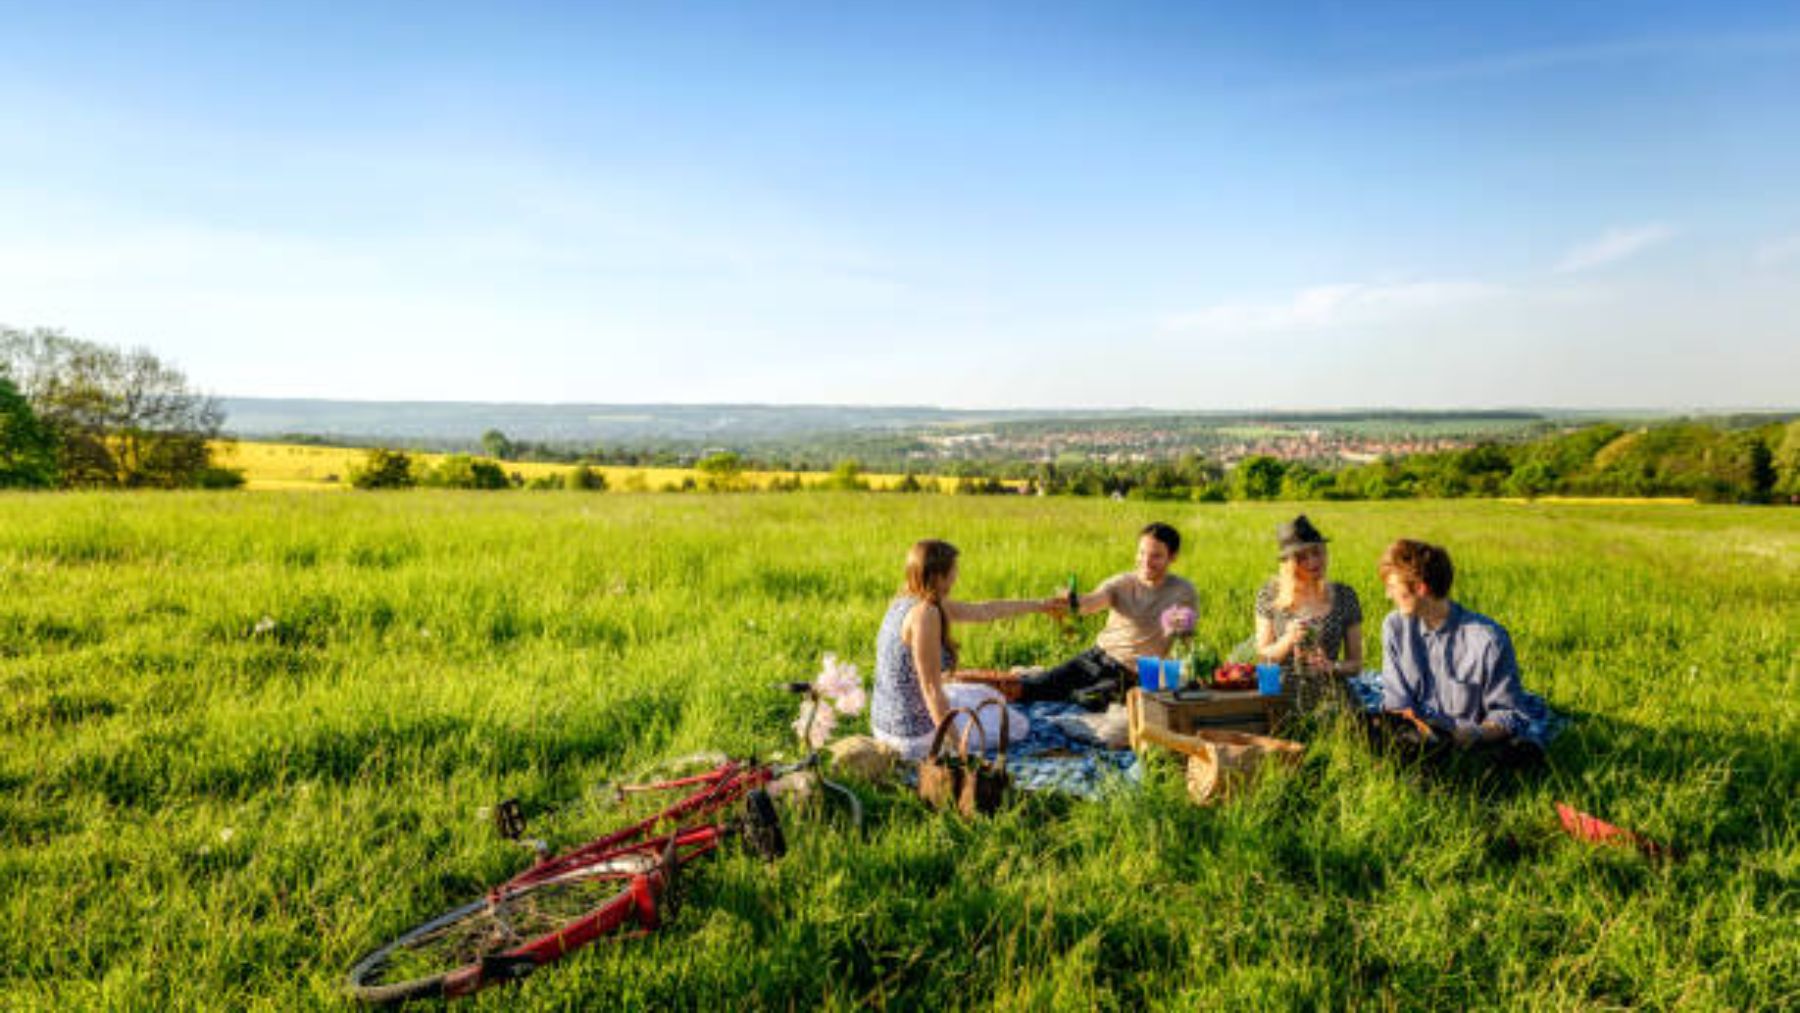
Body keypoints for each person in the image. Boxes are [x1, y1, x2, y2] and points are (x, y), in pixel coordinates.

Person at [872, 539, 1065, 760]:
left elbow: (983, 611)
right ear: (938, 575)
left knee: (985, 695)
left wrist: (1040, 605)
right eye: (954, 570)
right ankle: (945, 744)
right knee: (1017, 725)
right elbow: (931, 690)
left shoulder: (905, 600)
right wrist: (959, 749)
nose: (957, 576)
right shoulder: (926, 615)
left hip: (884, 725)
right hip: (912, 738)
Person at [1375, 538, 1542, 758]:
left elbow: (1508, 713)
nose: (1388, 595)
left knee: (1522, 742)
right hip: (1415, 738)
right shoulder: (1394, 627)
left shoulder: (1488, 640)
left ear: (1420, 588)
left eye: (1392, 587)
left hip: (1467, 739)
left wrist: (1466, 736)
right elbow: (1396, 701)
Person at [1018, 522, 1197, 706]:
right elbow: (1094, 601)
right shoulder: (1122, 583)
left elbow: (1185, 640)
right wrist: (1073, 602)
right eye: (1142, 553)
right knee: (1035, 687)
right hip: (1095, 657)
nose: (1146, 561)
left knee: (1086, 699)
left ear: (1172, 557)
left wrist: (1183, 635)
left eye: (1156, 556)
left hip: (1129, 674)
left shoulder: (1182, 591)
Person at [1254, 515, 1363, 708]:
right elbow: (1263, 657)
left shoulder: (1345, 595)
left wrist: (1331, 666)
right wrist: (1287, 640)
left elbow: (1356, 664)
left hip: (1332, 698)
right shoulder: (1270, 596)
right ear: (1289, 563)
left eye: (1317, 552)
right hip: (1283, 696)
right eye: (1302, 556)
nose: (1313, 561)